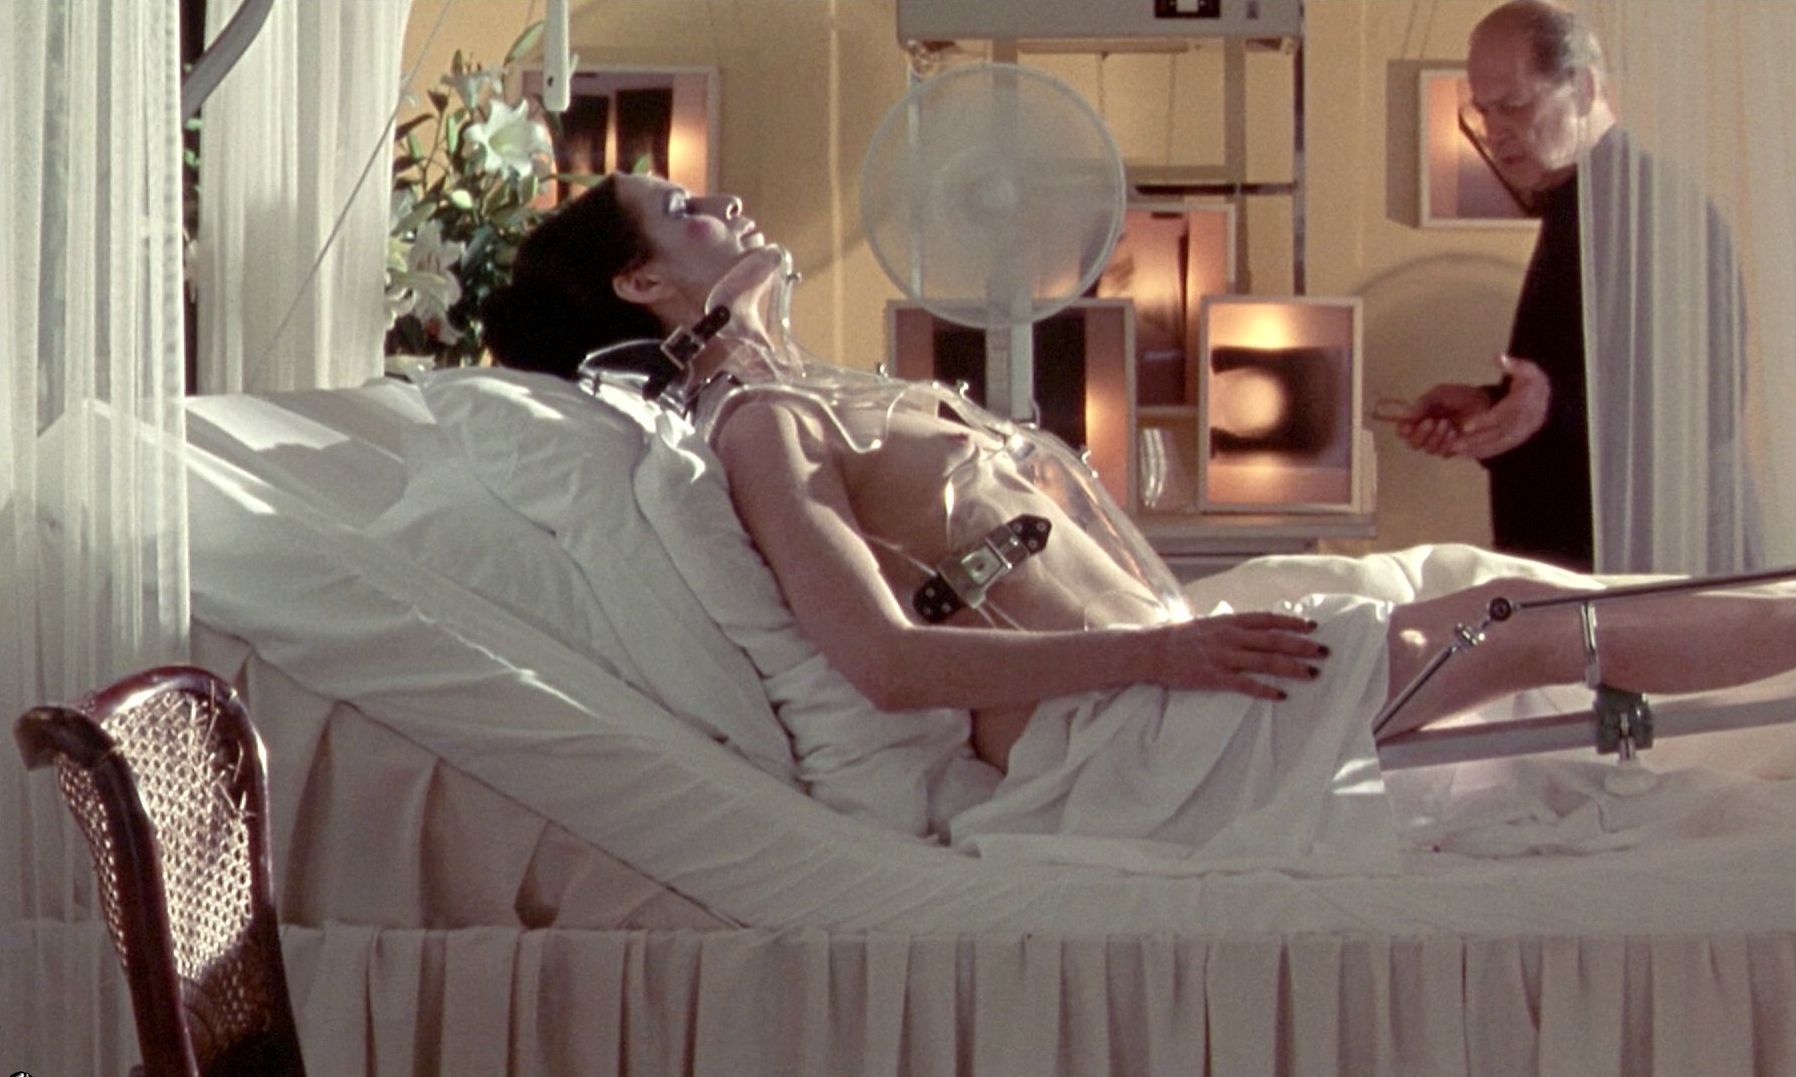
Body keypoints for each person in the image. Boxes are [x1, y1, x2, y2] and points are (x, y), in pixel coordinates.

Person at [481, 171, 1795, 857]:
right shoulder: (760, 427)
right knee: (1510, 623)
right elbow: (883, 662)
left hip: (1169, 692)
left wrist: (1180, 630)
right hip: (1119, 749)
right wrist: (1163, 652)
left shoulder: (819, 390)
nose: (728, 203)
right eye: (684, 209)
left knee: (1504, 604)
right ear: (641, 281)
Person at [1395, 0, 1617, 571]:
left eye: (1513, 106)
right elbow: (1573, 383)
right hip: (1566, 573)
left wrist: (1547, 407)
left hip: (1627, 573)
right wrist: (1489, 408)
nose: (1495, 133)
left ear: (1585, 89)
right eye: (1483, 112)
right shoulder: (1575, 206)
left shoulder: (1644, 211)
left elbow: (1701, 404)